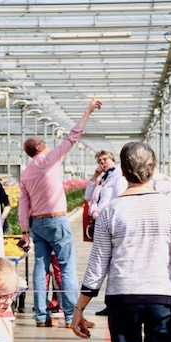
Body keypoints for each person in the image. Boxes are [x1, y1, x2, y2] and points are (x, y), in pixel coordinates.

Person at [70, 142, 171, 342]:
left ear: (122, 170)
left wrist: (79, 309)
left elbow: (97, 266)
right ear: (153, 170)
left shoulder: (110, 212)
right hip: (161, 297)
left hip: (121, 299)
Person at [18, 94, 102, 328]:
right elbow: (72, 137)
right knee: (67, 268)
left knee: (40, 267)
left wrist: (25, 231)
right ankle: (70, 317)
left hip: (37, 224)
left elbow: (23, 204)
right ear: (40, 147)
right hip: (56, 221)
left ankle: (41, 316)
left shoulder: (26, 174)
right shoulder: (48, 160)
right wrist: (88, 111)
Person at [83, 150, 127, 316]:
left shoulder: (118, 176)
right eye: (100, 160)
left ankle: (114, 303)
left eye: (105, 159)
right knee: (105, 262)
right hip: (98, 223)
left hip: (108, 222)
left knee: (111, 263)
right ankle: (110, 303)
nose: (102, 163)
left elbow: (119, 198)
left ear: (112, 160)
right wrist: (94, 178)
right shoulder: (103, 177)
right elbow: (88, 197)